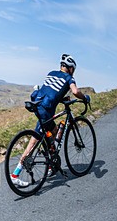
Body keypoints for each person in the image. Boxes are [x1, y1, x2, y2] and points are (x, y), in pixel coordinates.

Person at [10, 54, 90, 187]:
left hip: (38, 105)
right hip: (45, 111)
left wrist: (63, 99)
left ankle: (51, 163)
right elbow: (75, 91)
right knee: (33, 142)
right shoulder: (69, 77)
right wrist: (85, 98)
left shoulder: (51, 73)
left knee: (53, 131)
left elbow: (51, 91)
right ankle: (15, 174)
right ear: (71, 68)